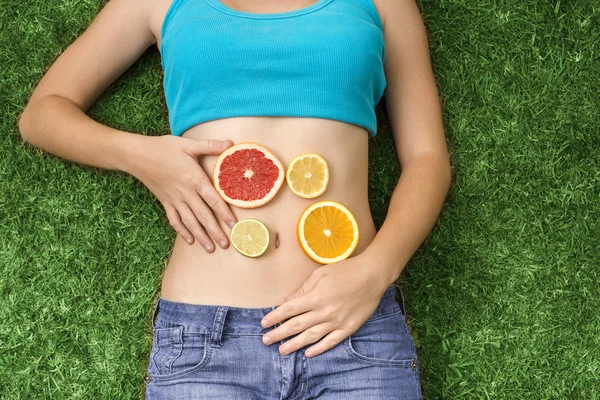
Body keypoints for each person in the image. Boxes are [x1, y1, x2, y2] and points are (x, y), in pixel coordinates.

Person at [18, 0, 451, 398]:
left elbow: (427, 159)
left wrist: (376, 271)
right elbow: (42, 114)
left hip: (350, 326)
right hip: (206, 340)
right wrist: (143, 155)